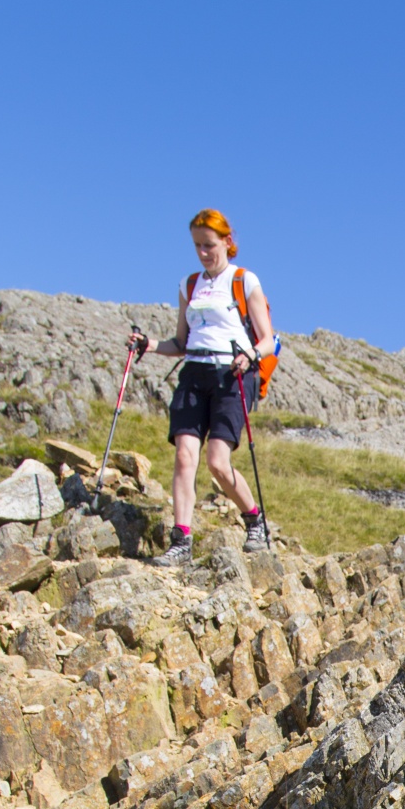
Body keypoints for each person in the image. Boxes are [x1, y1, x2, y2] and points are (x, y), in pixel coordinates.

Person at [137, 209, 276, 566]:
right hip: (194, 373)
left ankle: (254, 519)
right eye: (197, 245)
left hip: (232, 374)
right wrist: (149, 344)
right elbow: (181, 342)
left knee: (217, 462)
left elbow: (269, 340)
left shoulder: (244, 281)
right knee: (185, 455)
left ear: (227, 242)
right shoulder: (189, 285)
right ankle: (180, 540)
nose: (202, 253)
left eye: (209, 245)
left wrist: (248, 356)